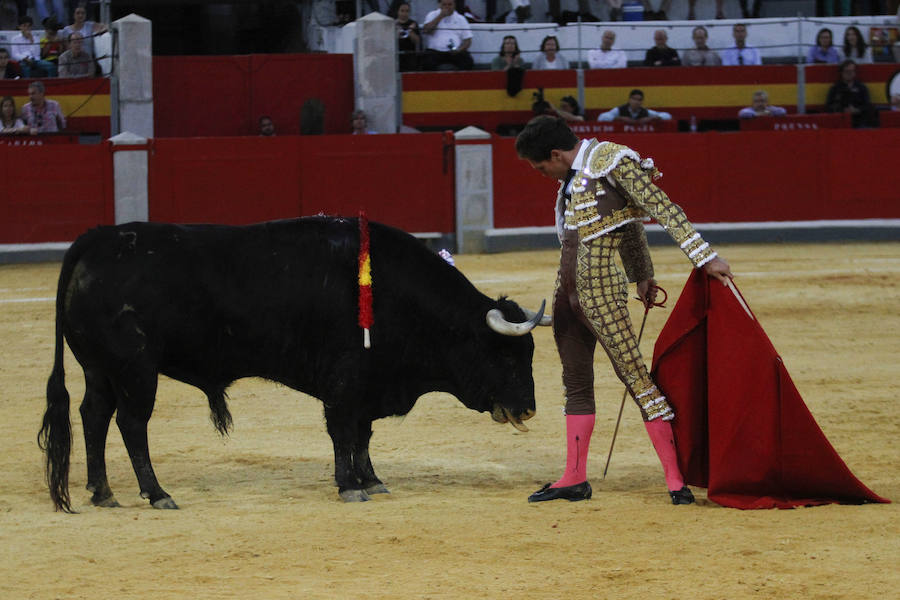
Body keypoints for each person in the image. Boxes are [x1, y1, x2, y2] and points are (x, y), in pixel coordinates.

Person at [515, 115, 732, 505]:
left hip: (601, 292)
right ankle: (574, 478)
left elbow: (660, 208)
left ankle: (675, 480)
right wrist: (642, 275)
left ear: (556, 154)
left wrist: (704, 257)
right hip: (566, 293)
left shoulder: (612, 160)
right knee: (575, 382)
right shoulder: (571, 179)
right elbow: (629, 223)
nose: (541, 173)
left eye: (540, 166)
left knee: (636, 377)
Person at [421, 0, 474, 71]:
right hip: (435, 51)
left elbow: (468, 40)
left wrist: (459, 50)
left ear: (454, 5)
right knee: (427, 63)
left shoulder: (461, 19)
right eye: (444, 4)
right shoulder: (432, 15)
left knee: (467, 62)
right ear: (440, 5)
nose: (447, 7)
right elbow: (426, 30)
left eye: (450, 4)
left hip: (455, 52)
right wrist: (440, 16)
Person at [826, 59, 876, 128]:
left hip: (860, 122)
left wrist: (857, 110)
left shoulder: (861, 87)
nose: (849, 74)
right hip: (840, 122)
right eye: (846, 71)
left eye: (851, 71)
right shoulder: (835, 88)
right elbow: (828, 107)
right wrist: (842, 110)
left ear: (855, 72)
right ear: (841, 72)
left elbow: (868, 106)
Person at [596, 89, 672, 123]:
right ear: (629, 100)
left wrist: (652, 118)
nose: (636, 102)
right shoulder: (619, 110)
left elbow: (667, 116)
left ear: (642, 102)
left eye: (639, 100)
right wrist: (620, 118)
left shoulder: (645, 111)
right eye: (634, 99)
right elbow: (601, 117)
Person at [394, 2, 421, 72]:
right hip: (396, 55)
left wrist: (410, 31)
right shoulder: (393, 24)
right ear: (398, 11)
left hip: (410, 55)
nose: (404, 13)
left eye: (407, 11)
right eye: (402, 11)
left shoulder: (414, 23)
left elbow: (417, 41)